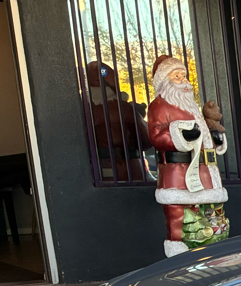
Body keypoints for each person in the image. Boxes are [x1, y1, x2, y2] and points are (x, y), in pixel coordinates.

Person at [146, 55, 230, 256]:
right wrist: (181, 134)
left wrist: (214, 138)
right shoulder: (160, 106)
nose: (183, 80)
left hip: (205, 174)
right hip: (178, 175)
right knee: (180, 219)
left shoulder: (190, 106)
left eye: (184, 75)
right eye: (177, 76)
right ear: (165, 80)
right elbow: (156, 135)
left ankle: (212, 252)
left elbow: (203, 135)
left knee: (212, 216)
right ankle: (181, 258)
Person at [85, 62, 150, 182]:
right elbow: (145, 140)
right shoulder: (122, 109)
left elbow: (145, 141)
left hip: (121, 169)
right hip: (118, 169)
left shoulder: (125, 109)